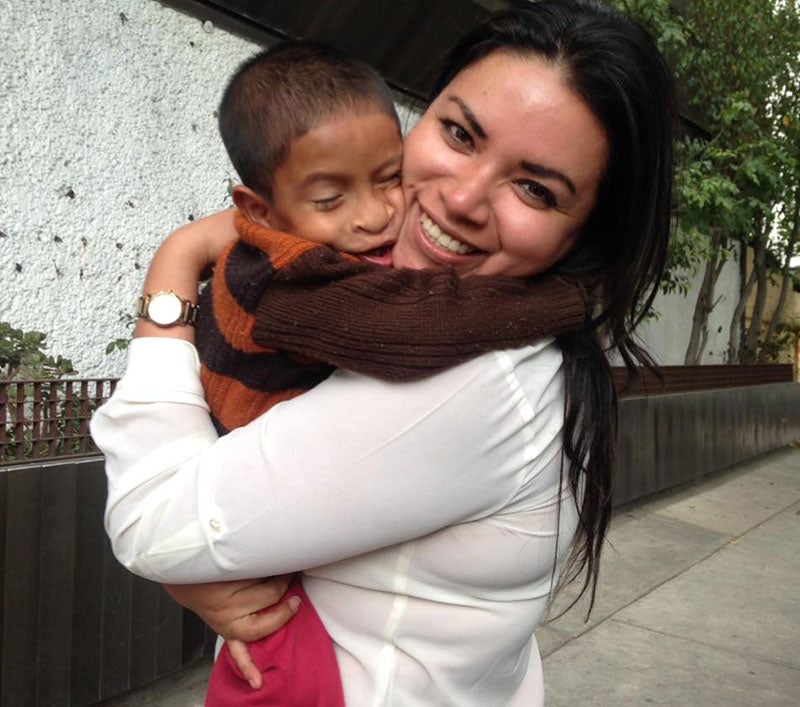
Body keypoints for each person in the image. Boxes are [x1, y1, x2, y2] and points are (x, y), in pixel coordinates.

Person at [92, 1, 676, 705]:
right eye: (460, 132)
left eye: (534, 188)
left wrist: (175, 262)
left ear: (585, 235)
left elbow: (151, 523)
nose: (461, 197)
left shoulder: (464, 374)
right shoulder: (412, 309)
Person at [195, 40, 588, 706]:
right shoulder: (302, 285)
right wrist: (570, 301)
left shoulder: (484, 384)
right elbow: (408, 326)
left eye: (534, 187)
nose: (378, 214)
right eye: (461, 134)